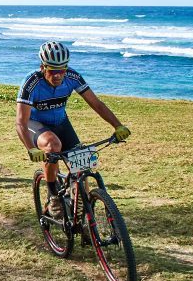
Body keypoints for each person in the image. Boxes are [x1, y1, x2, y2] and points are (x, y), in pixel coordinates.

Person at [15, 41, 131, 217]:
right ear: (42, 67)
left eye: (62, 70)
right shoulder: (32, 83)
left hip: (61, 123)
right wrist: (30, 148)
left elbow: (96, 104)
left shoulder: (72, 77)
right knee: (53, 146)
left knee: (81, 167)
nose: (58, 75)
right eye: (53, 70)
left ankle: (84, 217)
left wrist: (118, 125)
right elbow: (20, 123)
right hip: (36, 125)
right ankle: (53, 196)